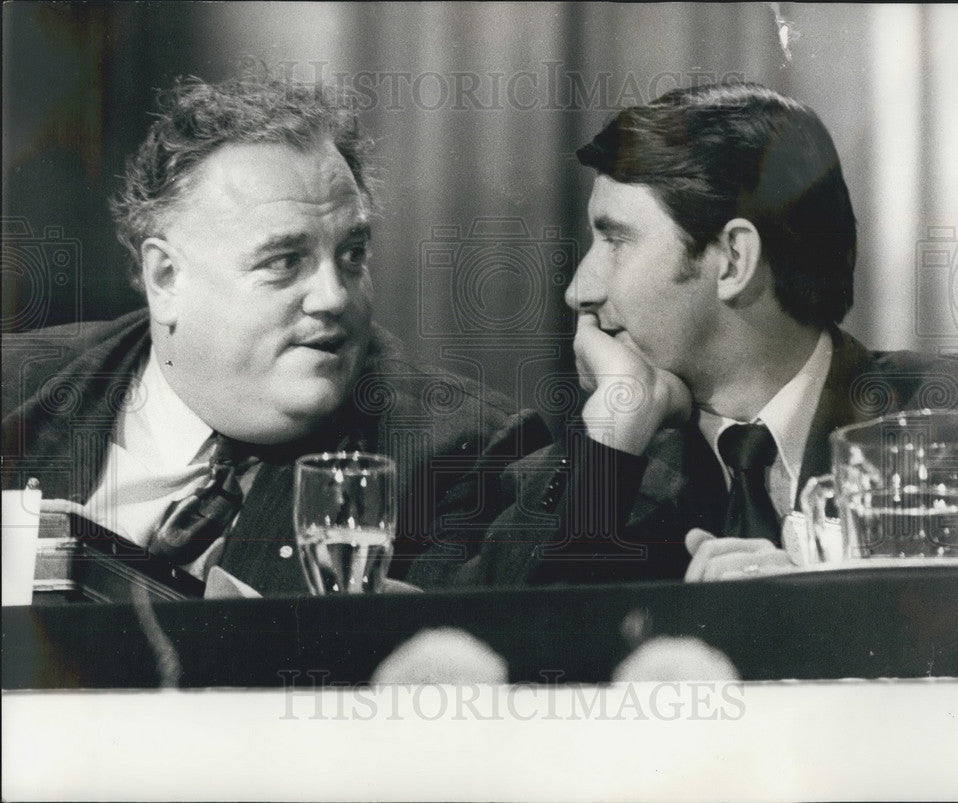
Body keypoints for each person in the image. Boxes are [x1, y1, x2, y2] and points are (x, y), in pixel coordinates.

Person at [408, 81, 958, 588]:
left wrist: (829, 601)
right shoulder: (588, 469)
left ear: (733, 259)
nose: (579, 290)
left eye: (615, 241)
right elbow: (491, 658)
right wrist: (616, 429)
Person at [1, 75, 550, 596]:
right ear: (165, 278)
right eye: (285, 262)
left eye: (352, 255)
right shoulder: (15, 387)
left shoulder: (461, 454)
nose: (335, 297)